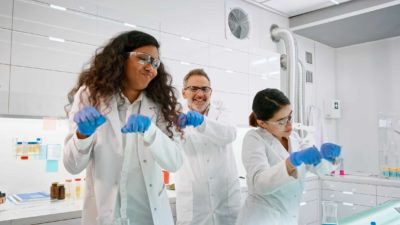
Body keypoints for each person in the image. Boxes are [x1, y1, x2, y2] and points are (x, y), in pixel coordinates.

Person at [63, 30, 184, 225]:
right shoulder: (90, 95)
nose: (151, 68)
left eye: (155, 63)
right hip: (106, 215)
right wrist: (82, 135)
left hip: (148, 216)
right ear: (120, 58)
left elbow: (175, 162)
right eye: (144, 59)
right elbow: (72, 165)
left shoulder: (160, 104)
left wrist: (151, 131)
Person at [235, 88, 341, 225]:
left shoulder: (295, 138)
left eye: (289, 117)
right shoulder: (254, 139)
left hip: (288, 218)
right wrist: (291, 162)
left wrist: (326, 157)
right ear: (262, 123)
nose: (289, 125)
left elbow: (319, 169)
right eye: (281, 121)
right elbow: (260, 183)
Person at [175, 68, 241, 225]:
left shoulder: (222, 110)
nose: (200, 94)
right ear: (184, 93)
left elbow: (230, 133)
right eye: (194, 89)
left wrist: (202, 122)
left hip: (226, 201)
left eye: (205, 89)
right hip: (194, 206)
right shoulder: (175, 115)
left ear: (211, 92)